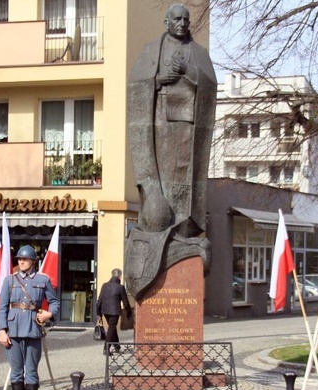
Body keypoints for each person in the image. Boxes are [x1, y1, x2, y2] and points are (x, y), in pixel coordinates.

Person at [124, 3, 217, 300]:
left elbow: (211, 86)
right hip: (160, 128)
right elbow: (136, 87)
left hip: (189, 132)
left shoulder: (199, 53)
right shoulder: (152, 50)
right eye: (176, 18)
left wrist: (188, 72)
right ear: (166, 21)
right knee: (163, 192)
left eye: (186, 19)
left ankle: (183, 238)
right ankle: (168, 237)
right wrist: (157, 81)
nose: (182, 23)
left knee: (184, 190)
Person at [0, 245, 60, 390]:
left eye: (25, 259)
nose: (21, 262)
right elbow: (1, 308)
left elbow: (54, 302)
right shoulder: (9, 281)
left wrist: (49, 314)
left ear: (33, 261)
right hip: (13, 331)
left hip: (33, 330)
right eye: (19, 259)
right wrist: (2, 331)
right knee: (16, 373)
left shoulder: (43, 280)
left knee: (31, 372)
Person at [97, 268, 133, 355]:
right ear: (120, 276)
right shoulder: (120, 287)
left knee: (112, 327)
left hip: (105, 310)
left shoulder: (105, 285)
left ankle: (117, 346)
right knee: (111, 329)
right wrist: (129, 313)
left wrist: (99, 313)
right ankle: (106, 348)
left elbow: (100, 300)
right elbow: (125, 302)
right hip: (114, 311)